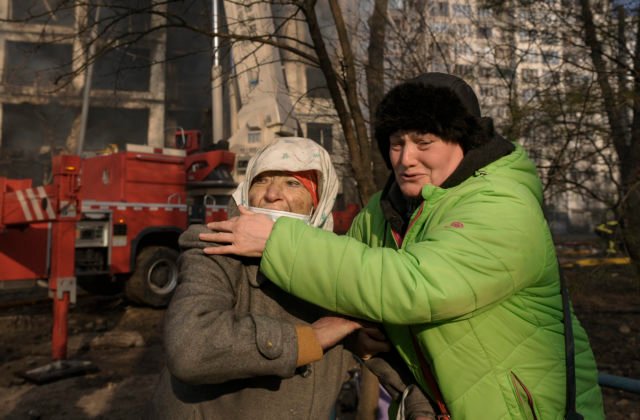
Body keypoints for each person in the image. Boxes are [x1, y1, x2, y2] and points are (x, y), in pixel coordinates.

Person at [201, 74, 605, 419]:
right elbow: (344, 287)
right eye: (397, 143)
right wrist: (363, 337)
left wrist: (277, 241)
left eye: (424, 142)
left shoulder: (502, 204)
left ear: (463, 142)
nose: (406, 158)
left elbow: (415, 286)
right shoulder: (384, 211)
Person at [148, 137, 434, 419]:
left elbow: (388, 357)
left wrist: (420, 409)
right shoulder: (214, 248)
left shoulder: (334, 266)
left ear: (317, 203)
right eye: (262, 180)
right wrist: (309, 339)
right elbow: (190, 348)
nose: (272, 193)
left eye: (292, 183)